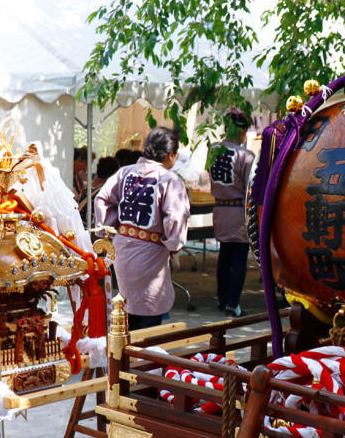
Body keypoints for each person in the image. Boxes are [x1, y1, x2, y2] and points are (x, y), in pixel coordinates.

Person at [94, 127, 189, 330]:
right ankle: (144, 359)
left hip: (122, 249)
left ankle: (127, 357)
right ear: (171, 155)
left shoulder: (123, 172)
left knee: (126, 310)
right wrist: (173, 245)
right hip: (150, 253)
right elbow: (176, 217)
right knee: (148, 315)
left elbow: (102, 198)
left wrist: (108, 230)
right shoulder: (169, 180)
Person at [209, 107, 255, 317]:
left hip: (219, 209)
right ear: (243, 130)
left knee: (224, 256)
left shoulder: (213, 150)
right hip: (237, 211)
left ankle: (221, 297)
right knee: (238, 259)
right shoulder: (246, 155)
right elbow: (250, 188)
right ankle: (233, 302)